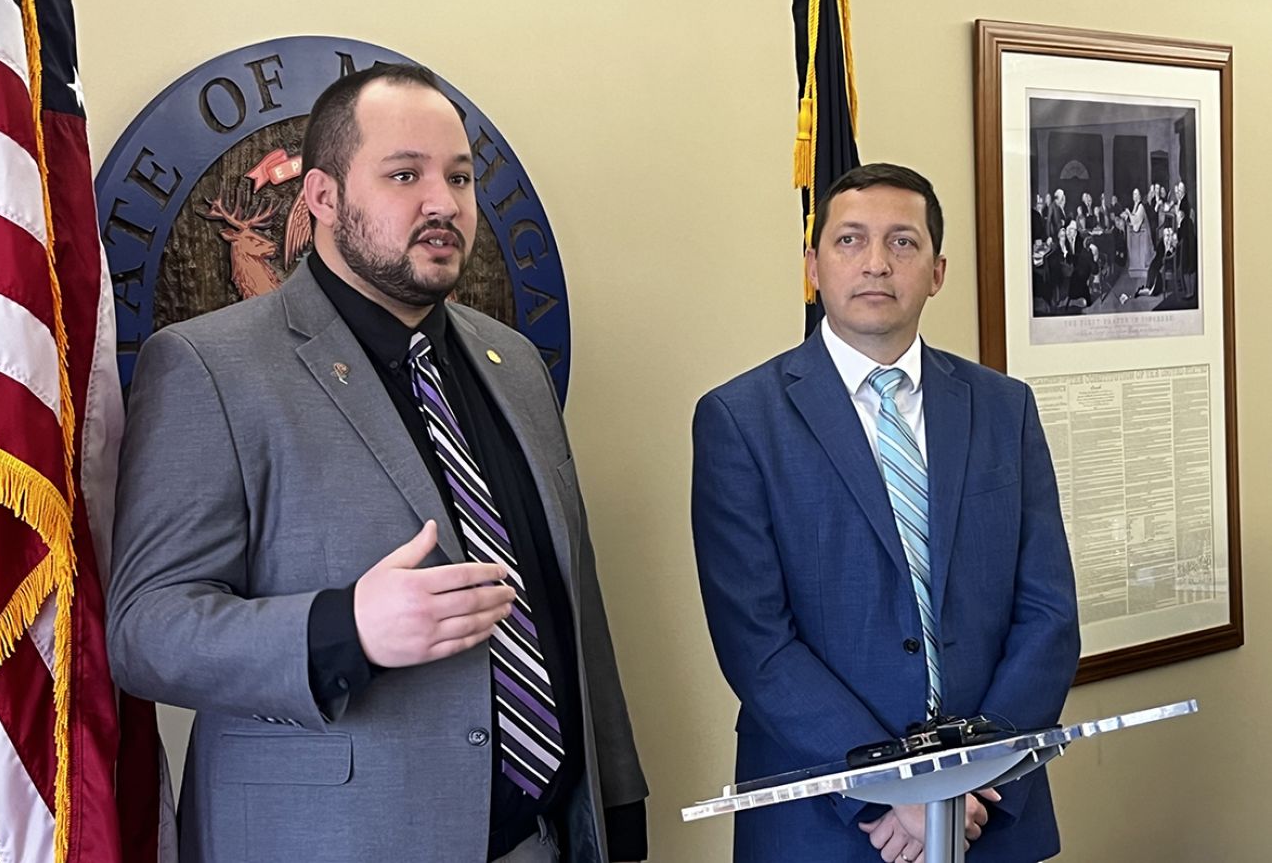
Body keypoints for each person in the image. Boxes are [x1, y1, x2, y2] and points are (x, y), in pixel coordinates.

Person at [107, 64, 647, 863]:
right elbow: (144, 631)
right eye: (405, 175)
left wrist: (616, 811)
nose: (444, 203)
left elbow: (573, 607)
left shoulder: (516, 365)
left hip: (540, 841)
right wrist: (344, 627)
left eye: (458, 177)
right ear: (321, 198)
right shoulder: (207, 365)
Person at [691, 163, 1079, 863]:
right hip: (827, 820)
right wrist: (891, 789)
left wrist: (969, 782)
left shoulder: (1004, 408)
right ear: (812, 266)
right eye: (848, 241)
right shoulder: (740, 420)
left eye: (903, 242)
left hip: (991, 817)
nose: (875, 263)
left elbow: (1049, 612)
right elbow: (757, 641)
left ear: (937, 270)